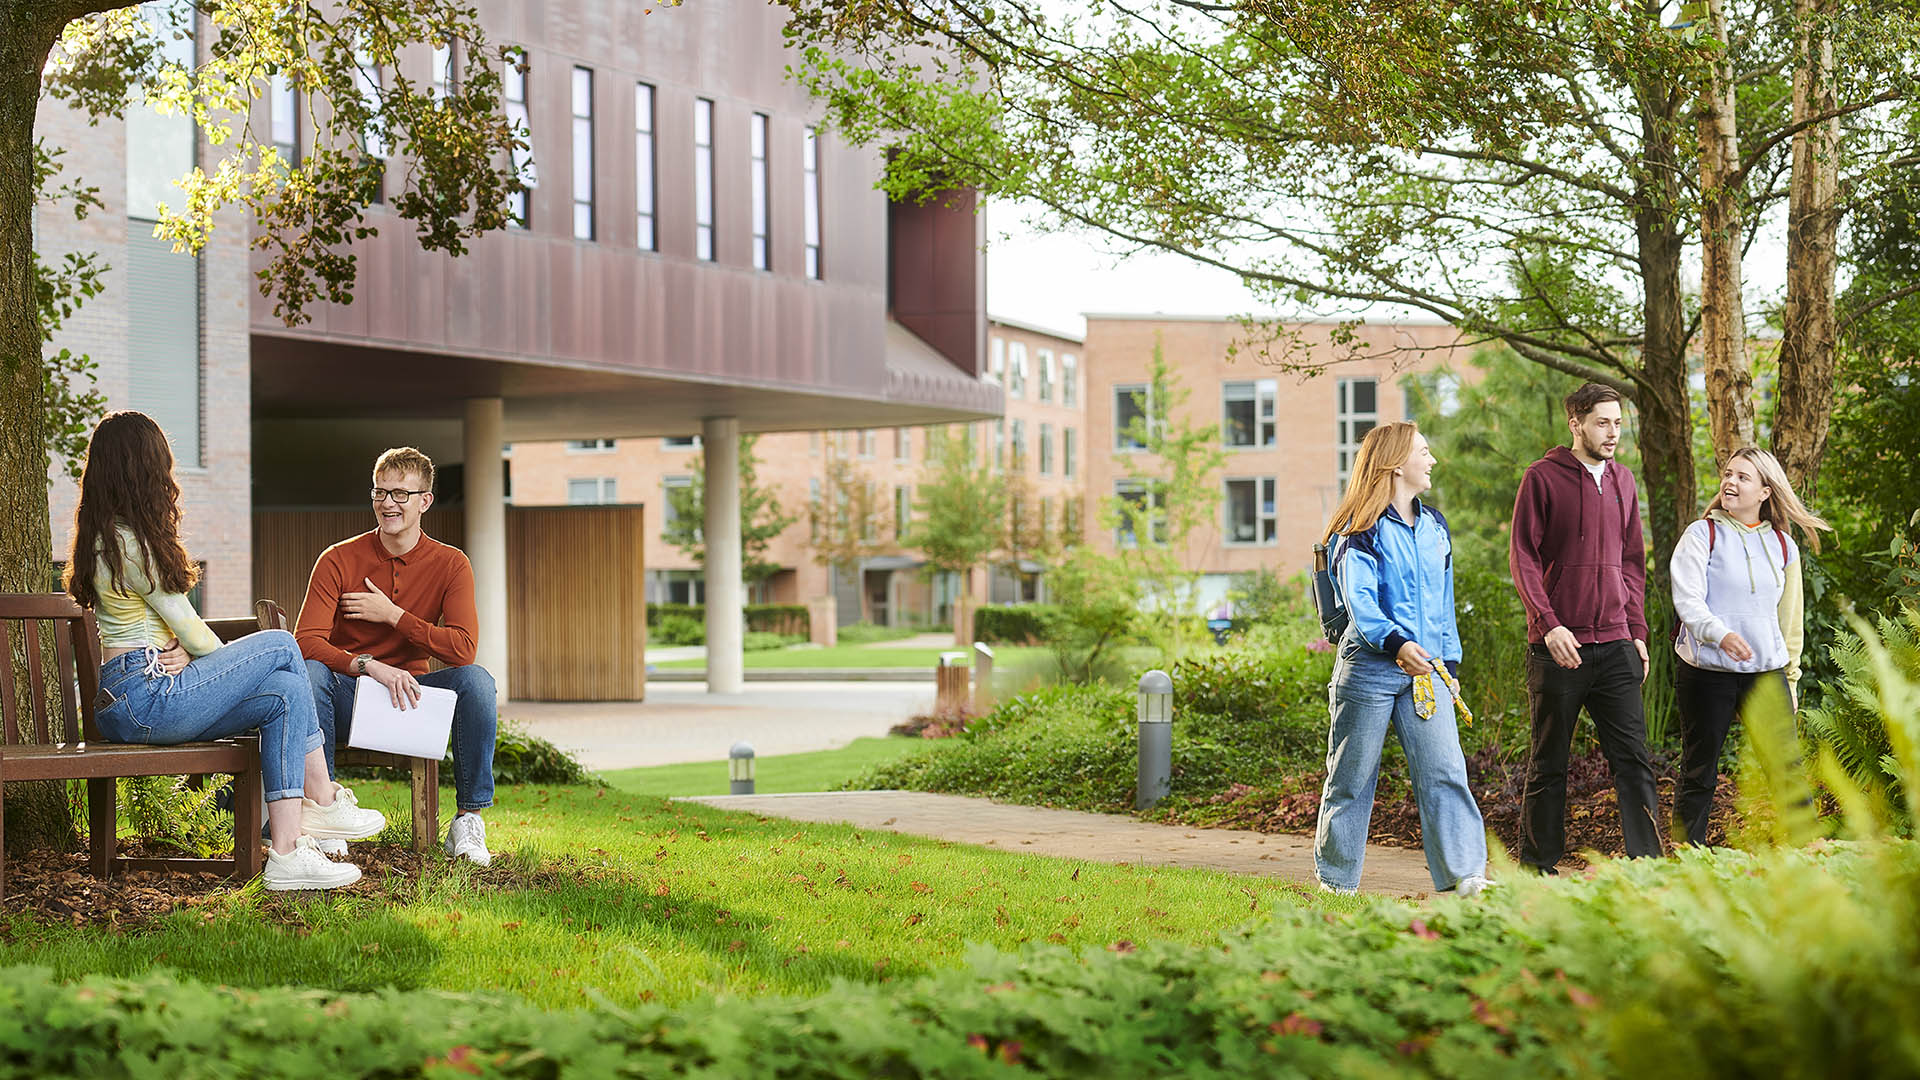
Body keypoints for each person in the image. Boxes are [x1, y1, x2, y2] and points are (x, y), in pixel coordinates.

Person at [65, 411, 386, 891]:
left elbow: (169, 632)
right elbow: (193, 634)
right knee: (281, 645)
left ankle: (287, 852)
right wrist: (205, 657)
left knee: (281, 693)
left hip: (136, 694)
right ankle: (322, 796)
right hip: (147, 696)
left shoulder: (103, 537)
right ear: (143, 470)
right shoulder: (130, 543)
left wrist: (195, 658)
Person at [297, 447, 497, 866]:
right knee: (311, 672)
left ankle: (468, 819)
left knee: (477, 681)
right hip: (350, 697)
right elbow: (305, 642)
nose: (388, 503)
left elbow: (462, 649)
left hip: (410, 700)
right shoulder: (337, 559)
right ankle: (327, 809)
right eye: (380, 492)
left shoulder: (451, 563)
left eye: (401, 494)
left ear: (425, 501)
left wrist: (394, 616)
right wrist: (369, 665)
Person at [1315, 421, 1490, 897]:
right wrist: (1396, 645)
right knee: (1351, 778)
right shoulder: (1358, 531)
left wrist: (1449, 665)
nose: (1432, 461)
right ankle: (1337, 883)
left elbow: (1444, 603)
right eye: (1424, 452)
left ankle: (1466, 877)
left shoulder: (1435, 526)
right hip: (1370, 669)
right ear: (1395, 465)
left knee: (1446, 772)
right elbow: (1361, 603)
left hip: (1426, 671)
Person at [1509, 382, 1662, 872]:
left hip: (1616, 642)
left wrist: (1636, 632)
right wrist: (1547, 623)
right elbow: (1523, 558)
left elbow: (1633, 562)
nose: (1613, 432)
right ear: (1575, 424)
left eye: (1618, 422)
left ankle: (1649, 868)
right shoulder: (1542, 478)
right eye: (1602, 422)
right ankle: (1538, 869)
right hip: (1560, 647)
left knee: (1634, 762)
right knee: (1549, 763)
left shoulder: (1625, 481)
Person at [1669, 446, 1829, 845]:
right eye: (1728, 473)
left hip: (1766, 674)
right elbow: (1687, 600)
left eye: (1743, 477)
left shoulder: (1782, 545)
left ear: (1764, 492)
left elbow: (1790, 623)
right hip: (1706, 673)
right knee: (1699, 770)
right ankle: (1685, 861)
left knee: (1786, 770)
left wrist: (1790, 681)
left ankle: (1811, 856)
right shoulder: (1701, 534)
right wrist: (1719, 633)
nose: (1730, 482)